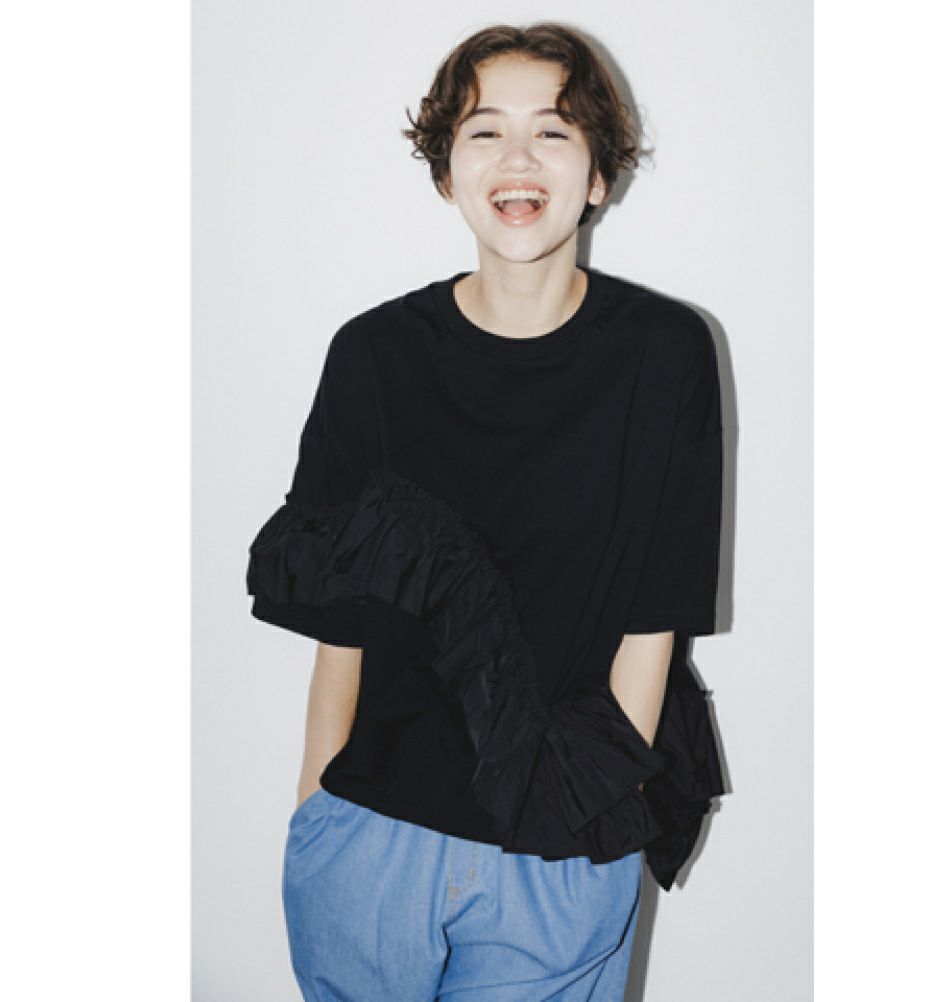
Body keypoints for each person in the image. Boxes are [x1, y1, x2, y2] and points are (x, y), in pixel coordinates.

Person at [246, 21, 726, 1002]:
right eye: (484, 131)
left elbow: (653, 623)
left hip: (559, 849)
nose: (518, 158)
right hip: (369, 842)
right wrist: (317, 809)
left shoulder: (664, 355)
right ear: (445, 172)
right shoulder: (373, 356)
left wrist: (586, 815)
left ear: (598, 174)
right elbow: (343, 628)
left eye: (552, 131)